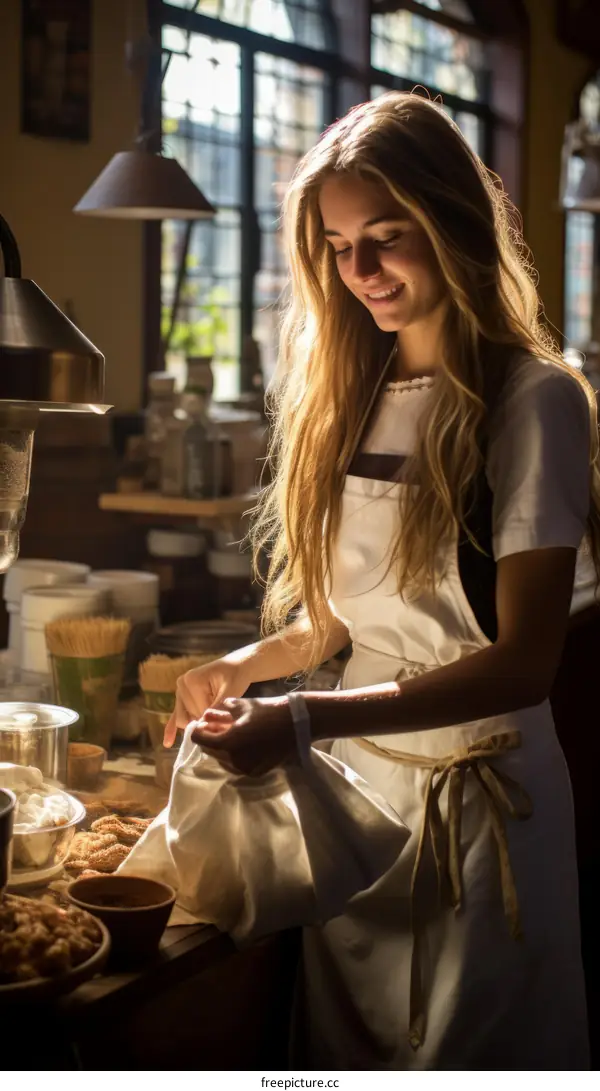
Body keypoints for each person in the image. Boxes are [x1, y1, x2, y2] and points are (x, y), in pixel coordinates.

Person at [164, 92, 594, 1070]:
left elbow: (525, 664)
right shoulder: (351, 394)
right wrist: (244, 663)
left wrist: (307, 719)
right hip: (356, 809)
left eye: (388, 237)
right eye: (338, 242)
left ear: (453, 223)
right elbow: (344, 620)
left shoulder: (534, 401)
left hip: (481, 804)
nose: (360, 271)